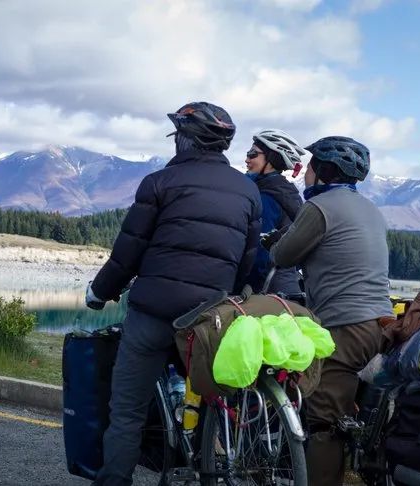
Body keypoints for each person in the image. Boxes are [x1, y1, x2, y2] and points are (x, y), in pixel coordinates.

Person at [85, 101, 262, 486]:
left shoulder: (159, 183)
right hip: (209, 319)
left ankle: (115, 479)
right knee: (212, 397)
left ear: (185, 139)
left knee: (127, 411)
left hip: (153, 313)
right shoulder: (247, 193)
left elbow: (128, 251)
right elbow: (246, 260)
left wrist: (99, 292)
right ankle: (209, 469)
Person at [267, 136, 393, 486]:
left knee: (324, 422)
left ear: (322, 171)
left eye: (309, 167)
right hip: (381, 323)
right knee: (352, 413)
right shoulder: (371, 209)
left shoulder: (319, 208)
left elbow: (282, 256)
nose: (305, 173)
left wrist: (274, 241)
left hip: (344, 326)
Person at [244, 129, 306, 295]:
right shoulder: (285, 192)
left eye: (252, 154)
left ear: (271, 160)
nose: (247, 159)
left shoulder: (266, 198)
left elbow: (259, 255)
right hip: (284, 286)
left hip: (265, 291)